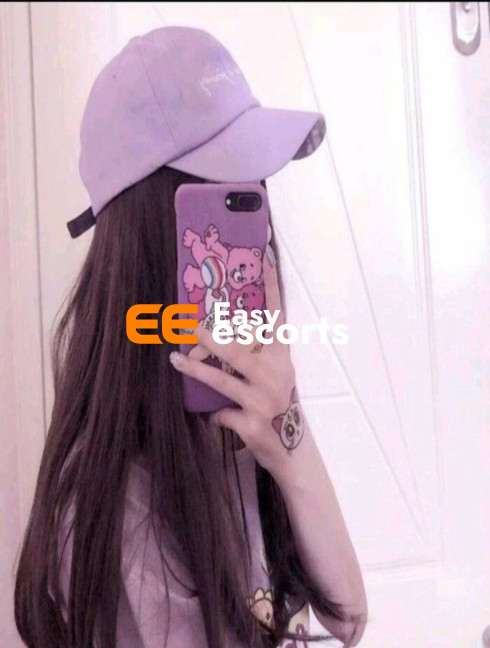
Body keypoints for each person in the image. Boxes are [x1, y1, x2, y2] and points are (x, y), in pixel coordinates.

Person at [14, 26, 367, 648]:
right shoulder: (119, 508)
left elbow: (348, 618)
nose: (255, 247)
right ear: (157, 238)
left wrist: (290, 440)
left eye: (254, 193)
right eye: (228, 197)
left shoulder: (245, 427)